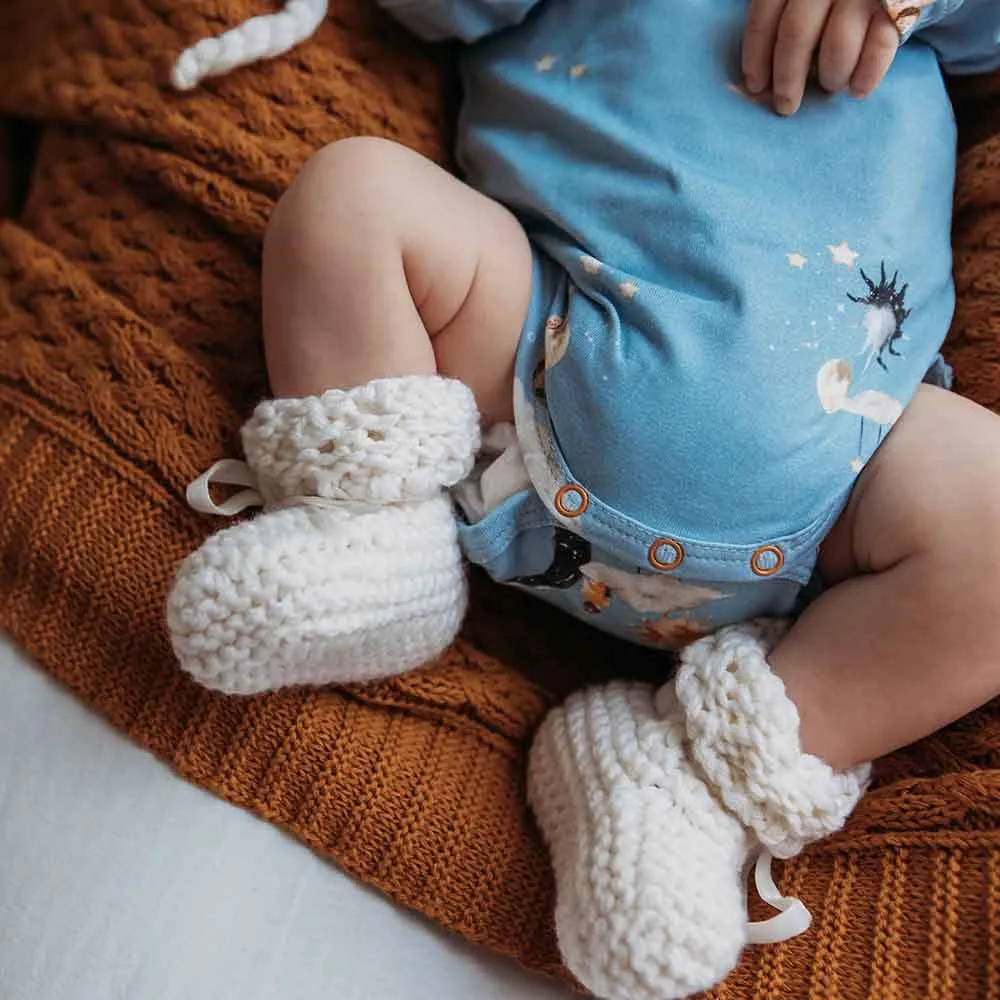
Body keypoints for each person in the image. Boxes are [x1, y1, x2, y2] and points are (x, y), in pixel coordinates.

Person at [166, 1, 1000, 996]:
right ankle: (374, 533)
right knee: (354, 193)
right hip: (535, 366)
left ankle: (681, 774)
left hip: (843, 482)